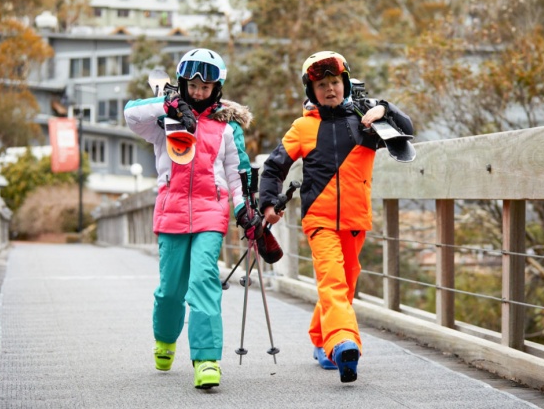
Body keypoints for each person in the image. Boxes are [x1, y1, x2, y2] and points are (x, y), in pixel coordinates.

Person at [257, 51, 413, 383]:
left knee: (345, 285)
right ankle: (343, 344)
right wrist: (268, 202)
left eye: (335, 82)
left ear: (345, 83)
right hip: (320, 220)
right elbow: (273, 168)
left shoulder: (365, 120)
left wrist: (384, 108)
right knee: (333, 281)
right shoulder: (303, 127)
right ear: (311, 91)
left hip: (356, 220)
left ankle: (320, 339)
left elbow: (407, 129)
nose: (330, 89)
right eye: (322, 85)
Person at [124, 48, 258, 389]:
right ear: (183, 84)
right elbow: (131, 114)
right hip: (171, 211)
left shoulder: (227, 126)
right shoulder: (164, 121)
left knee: (203, 281)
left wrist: (244, 209)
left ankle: (207, 359)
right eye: (193, 86)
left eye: (205, 87)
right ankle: (165, 338)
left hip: (211, 211)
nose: (198, 92)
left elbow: (238, 172)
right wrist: (167, 105)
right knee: (170, 290)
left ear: (216, 88)